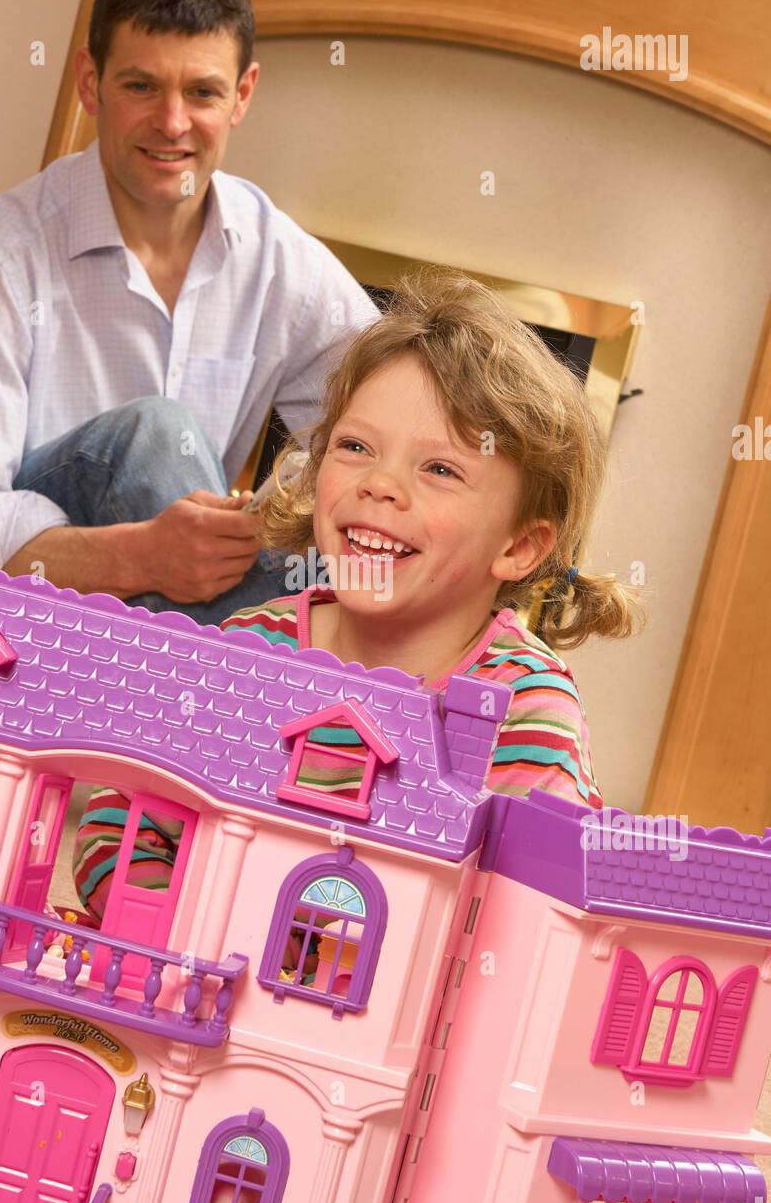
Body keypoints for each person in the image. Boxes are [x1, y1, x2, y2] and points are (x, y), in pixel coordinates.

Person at [0, 0, 380, 626]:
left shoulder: (279, 260)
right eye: (140, 86)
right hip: (14, 617)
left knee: (345, 545)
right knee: (157, 432)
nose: (172, 123)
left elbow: (386, 413)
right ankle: (273, 698)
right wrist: (139, 558)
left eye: (202, 92)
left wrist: (284, 506)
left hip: (168, 612)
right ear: (89, 82)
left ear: (242, 94)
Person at [220, 267, 645, 810]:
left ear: (517, 547)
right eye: (355, 446)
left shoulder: (525, 708)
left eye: (441, 470)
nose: (378, 484)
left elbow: (537, 891)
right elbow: (125, 821)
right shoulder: (249, 644)